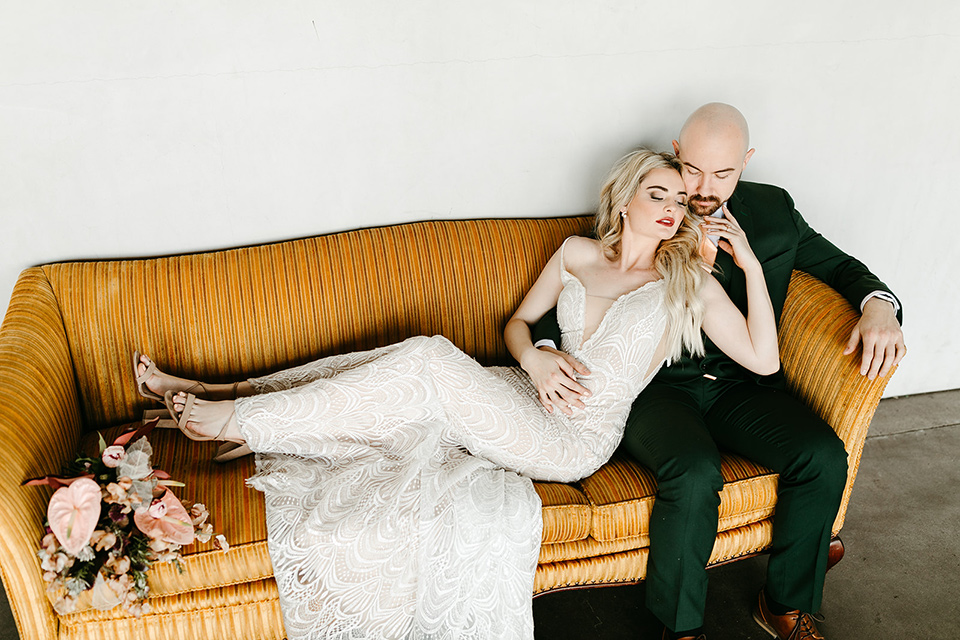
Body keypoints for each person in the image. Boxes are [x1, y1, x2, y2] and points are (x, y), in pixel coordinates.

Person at [133, 150, 778, 640]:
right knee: (396, 364)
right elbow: (517, 326)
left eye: (677, 198)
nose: (669, 207)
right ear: (626, 197)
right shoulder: (578, 253)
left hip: (573, 438)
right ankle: (221, 391)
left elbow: (765, 361)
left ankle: (237, 418)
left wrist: (747, 266)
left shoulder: (684, 283)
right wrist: (537, 359)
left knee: (429, 358)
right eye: (655, 191)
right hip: (520, 392)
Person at [532, 104, 905, 640]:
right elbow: (585, 291)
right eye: (694, 171)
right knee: (694, 470)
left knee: (821, 455)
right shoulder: (653, 204)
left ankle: (785, 604)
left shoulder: (775, 212)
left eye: (724, 174)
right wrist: (543, 348)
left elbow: (841, 267)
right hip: (655, 390)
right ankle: (679, 628)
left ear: (746, 163)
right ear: (676, 154)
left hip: (740, 383)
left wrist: (878, 307)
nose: (704, 189)